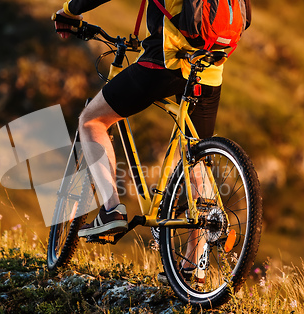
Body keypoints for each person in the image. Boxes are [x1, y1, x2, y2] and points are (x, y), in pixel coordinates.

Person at [54, 0, 250, 242]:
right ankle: (193, 271)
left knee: (91, 120)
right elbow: (244, 18)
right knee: (196, 160)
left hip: (164, 63)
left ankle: (111, 210)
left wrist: (70, 11)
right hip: (209, 70)